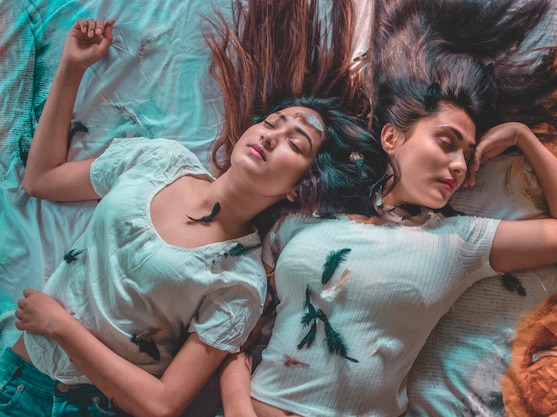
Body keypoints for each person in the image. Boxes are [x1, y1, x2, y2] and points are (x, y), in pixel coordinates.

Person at [212, 4, 557, 417]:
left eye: (469, 153)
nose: (460, 164)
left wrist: (522, 138)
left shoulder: (459, 242)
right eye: (447, 141)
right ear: (390, 136)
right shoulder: (305, 217)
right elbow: (236, 334)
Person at [2, 9, 388, 417]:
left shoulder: (241, 281)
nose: (272, 137)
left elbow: (163, 404)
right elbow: (41, 179)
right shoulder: (160, 160)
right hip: (20, 382)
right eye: (273, 123)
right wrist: (72, 66)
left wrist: (61, 327)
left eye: (296, 143)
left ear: (299, 187)